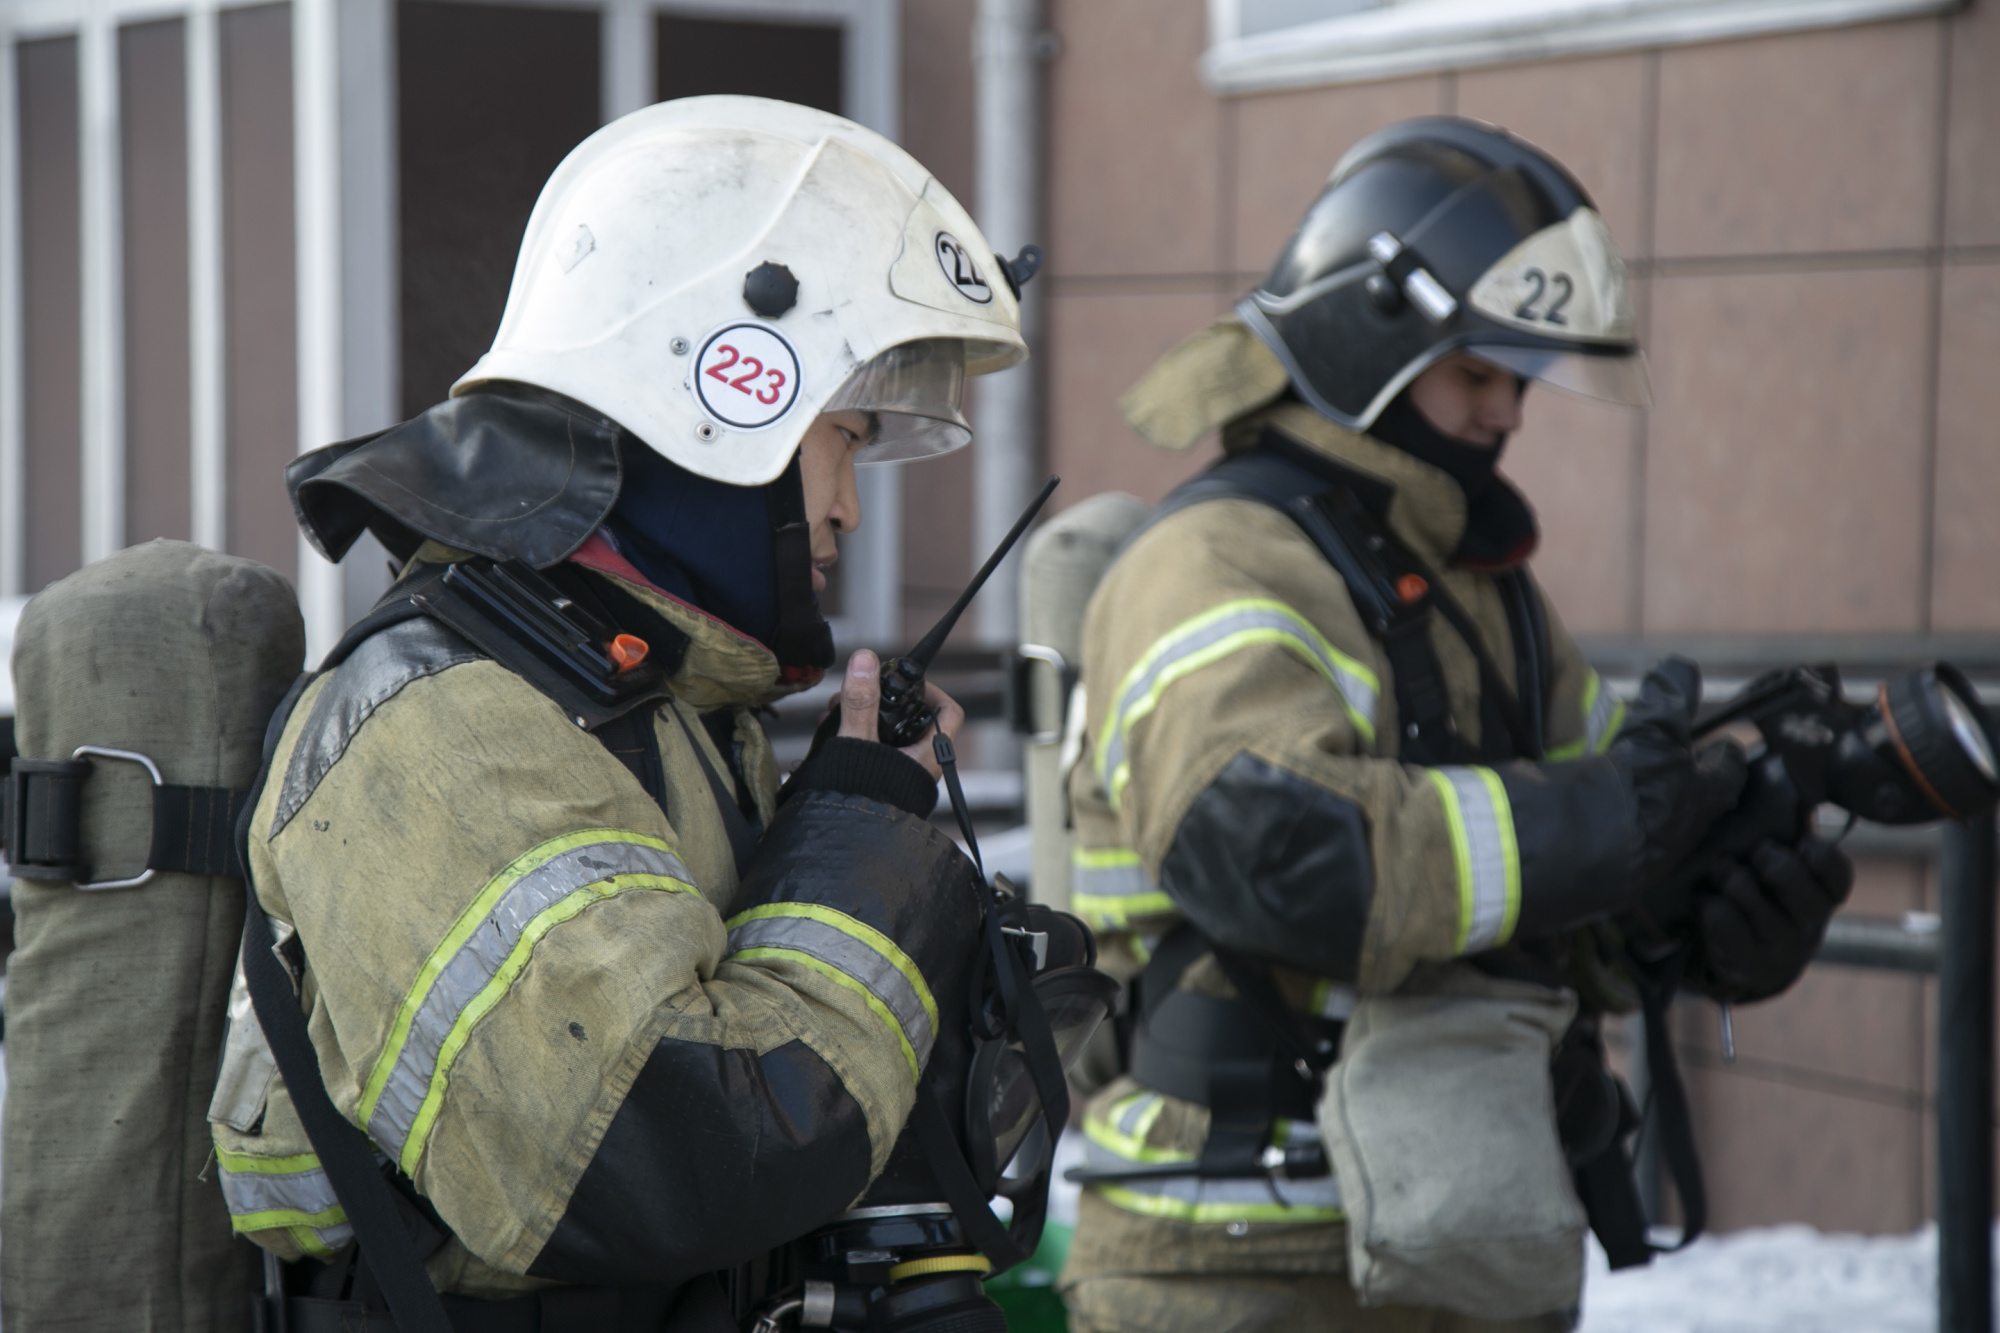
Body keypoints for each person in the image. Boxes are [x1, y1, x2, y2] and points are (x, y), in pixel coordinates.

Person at [208, 95, 1030, 1328]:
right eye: (840, 439)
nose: (848, 510)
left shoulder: (654, 706)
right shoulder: (444, 725)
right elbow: (670, 1154)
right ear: (714, 395)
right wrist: (860, 850)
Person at [1056, 116, 1854, 1332]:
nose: (1508, 411)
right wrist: (1599, 824)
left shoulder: (1489, 588)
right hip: (1232, 1252)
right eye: (1476, 371)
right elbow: (1272, 854)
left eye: (1520, 375)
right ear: (1364, 336)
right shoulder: (1211, 559)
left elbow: (1578, 873)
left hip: (1471, 1235)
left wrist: (1703, 911)